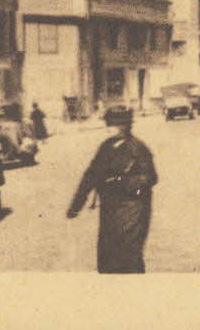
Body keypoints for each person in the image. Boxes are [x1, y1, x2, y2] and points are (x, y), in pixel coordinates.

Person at [66, 106, 158, 273]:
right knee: (107, 255)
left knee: (129, 254)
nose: (108, 128)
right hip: (109, 209)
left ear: (123, 126)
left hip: (133, 209)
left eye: (112, 125)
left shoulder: (138, 148)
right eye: (108, 124)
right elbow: (91, 175)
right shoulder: (106, 147)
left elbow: (150, 177)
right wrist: (76, 205)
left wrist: (120, 181)